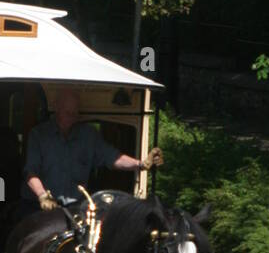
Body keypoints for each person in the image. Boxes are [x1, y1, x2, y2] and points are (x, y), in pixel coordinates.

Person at [21, 86, 163, 213]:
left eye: (75, 113)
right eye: (67, 112)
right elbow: (31, 173)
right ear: (57, 108)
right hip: (40, 207)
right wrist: (43, 196)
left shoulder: (88, 136)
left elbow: (113, 158)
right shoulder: (39, 135)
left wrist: (141, 164)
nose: (72, 117)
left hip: (75, 208)